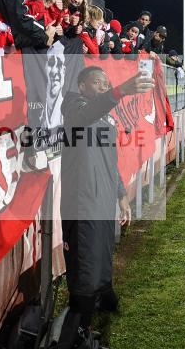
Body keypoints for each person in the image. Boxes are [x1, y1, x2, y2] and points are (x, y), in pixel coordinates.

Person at [60, 66, 154, 329]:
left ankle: (104, 297)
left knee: (102, 255)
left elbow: (110, 162)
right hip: (82, 205)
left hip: (103, 202)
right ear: (82, 86)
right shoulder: (73, 106)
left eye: (106, 84)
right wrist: (119, 90)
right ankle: (79, 326)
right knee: (85, 264)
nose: (103, 87)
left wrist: (121, 196)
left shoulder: (106, 119)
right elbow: (84, 116)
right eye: (98, 83)